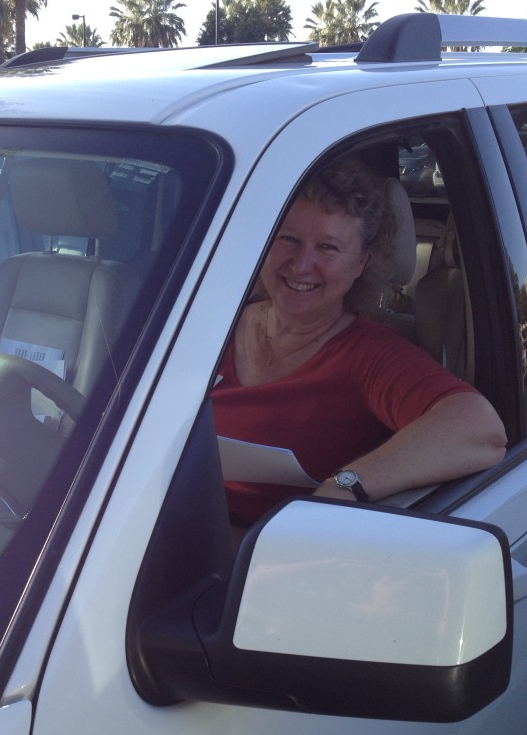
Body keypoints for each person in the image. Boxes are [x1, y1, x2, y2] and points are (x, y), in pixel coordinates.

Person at [211, 156, 507, 525]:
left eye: (328, 248)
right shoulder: (211, 326)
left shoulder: (370, 356)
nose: (301, 265)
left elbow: (481, 430)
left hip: (275, 554)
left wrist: (347, 484)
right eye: (288, 239)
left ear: (361, 265)